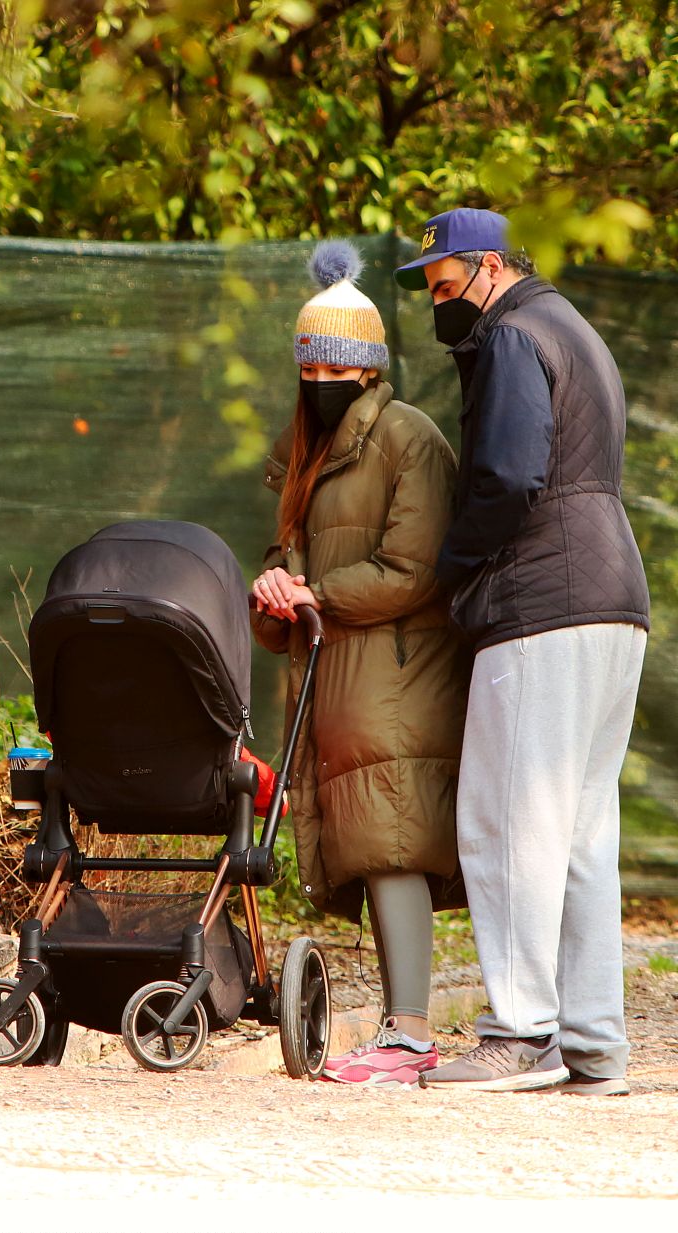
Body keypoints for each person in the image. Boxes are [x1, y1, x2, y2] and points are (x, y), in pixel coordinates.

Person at [394, 208, 649, 1096]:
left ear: (492, 267)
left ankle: (518, 1034)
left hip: (543, 599)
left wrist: (452, 570)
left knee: (506, 819)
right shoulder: (571, 326)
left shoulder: (512, 336)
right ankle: (593, 1042)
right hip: (613, 601)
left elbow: (508, 477)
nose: (440, 304)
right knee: (580, 834)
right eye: (431, 290)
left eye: (447, 284)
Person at [251, 240, 470, 1087]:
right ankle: (399, 1030)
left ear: (370, 368)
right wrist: (274, 594)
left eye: (337, 368)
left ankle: (410, 1035)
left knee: (394, 841)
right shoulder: (303, 450)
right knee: (378, 846)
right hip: (337, 674)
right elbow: (287, 563)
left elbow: (416, 571)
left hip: (398, 674)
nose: (322, 382)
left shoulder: (408, 438)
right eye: (310, 368)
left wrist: (314, 593)